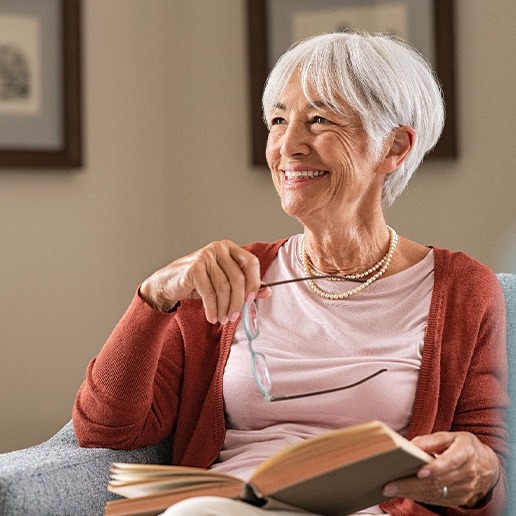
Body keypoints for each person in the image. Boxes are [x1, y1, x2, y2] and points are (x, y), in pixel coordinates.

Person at [73, 31, 509, 516]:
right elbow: (106, 431)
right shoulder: (227, 276)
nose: (287, 146)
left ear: (394, 147)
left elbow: (487, 481)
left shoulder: (463, 289)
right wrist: (153, 298)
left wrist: (479, 471)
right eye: (278, 120)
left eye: (319, 120)